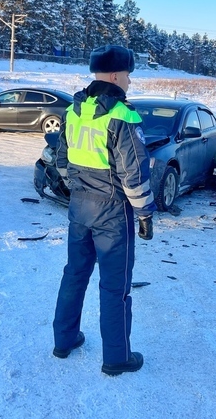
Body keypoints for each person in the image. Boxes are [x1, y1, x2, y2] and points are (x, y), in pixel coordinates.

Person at [52, 44, 157, 376]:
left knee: (75, 274)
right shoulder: (122, 116)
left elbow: (62, 162)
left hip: (79, 208)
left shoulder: (74, 110)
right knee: (115, 286)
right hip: (112, 214)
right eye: (127, 75)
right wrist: (144, 213)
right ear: (115, 75)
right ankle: (117, 357)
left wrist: (81, 191)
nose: (129, 81)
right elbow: (133, 173)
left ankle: (64, 340)